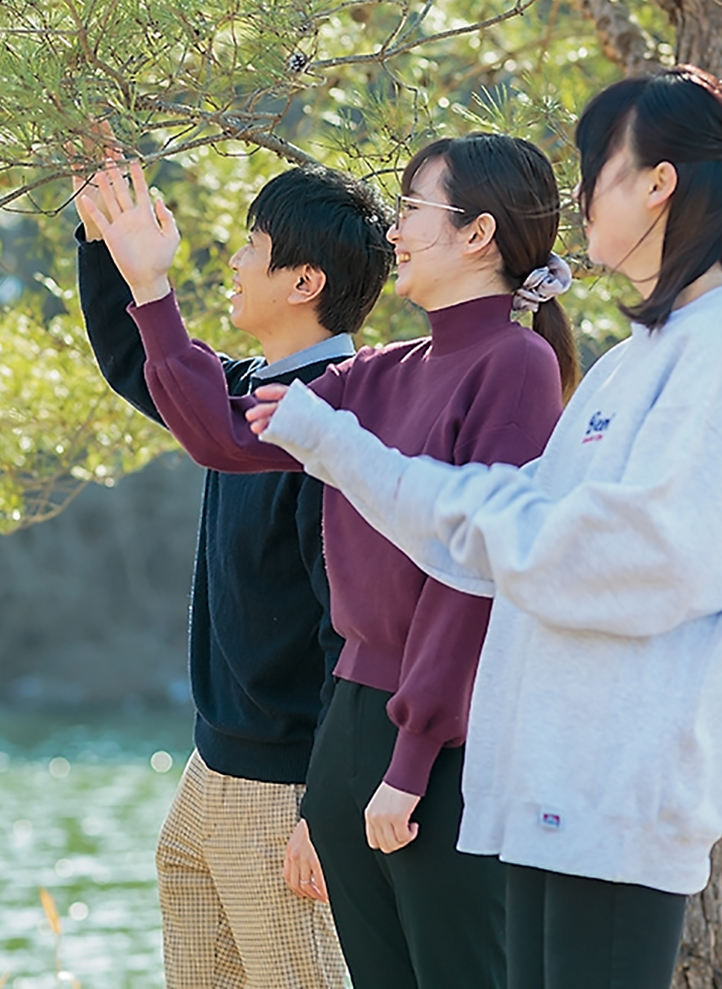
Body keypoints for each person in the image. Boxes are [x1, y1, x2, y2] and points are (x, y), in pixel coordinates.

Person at [244, 66, 722, 989]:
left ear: (660, 183)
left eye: (597, 170)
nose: (578, 196)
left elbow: (617, 558)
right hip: (540, 794)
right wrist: (345, 450)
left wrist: (358, 456)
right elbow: (486, 537)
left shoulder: (705, 359)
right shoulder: (632, 362)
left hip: (615, 798)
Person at [79, 133, 576, 989]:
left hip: (426, 748)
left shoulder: (515, 364)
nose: (399, 231)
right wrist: (144, 283)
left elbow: (473, 577)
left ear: (478, 234)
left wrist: (405, 762)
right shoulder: (383, 373)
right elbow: (223, 435)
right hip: (349, 737)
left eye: (416, 208)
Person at [76, 159, 392, 987]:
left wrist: (325, 808)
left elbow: (352, 636)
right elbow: (134, 357)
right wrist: (99, 235)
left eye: (253, 246)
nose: (236, 263)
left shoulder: (335, 424)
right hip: (209, 772)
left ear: (304, 281)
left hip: (283, 793)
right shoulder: (250, 389)